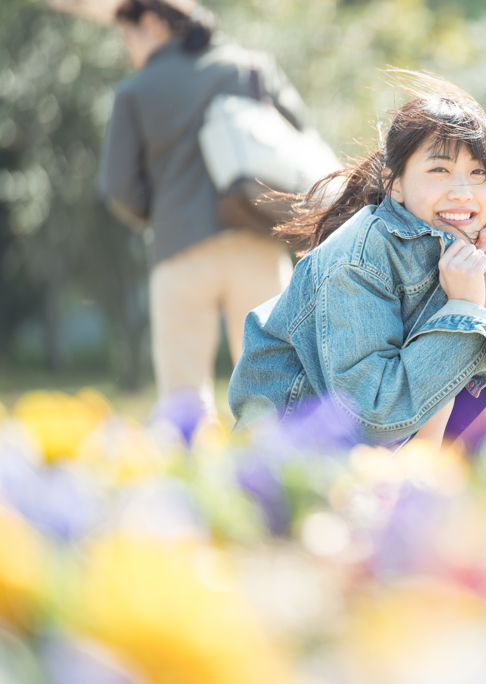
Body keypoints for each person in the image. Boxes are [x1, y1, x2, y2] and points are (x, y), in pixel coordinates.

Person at [227, 76, 486, 449]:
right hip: (292, 464)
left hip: (378, 460)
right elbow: (372, 415)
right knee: (459, 360)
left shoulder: (450, 251)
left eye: (478, 173)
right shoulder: (357, 260)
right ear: (395, 183)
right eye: (440, 170)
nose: (462, 192)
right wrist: (464, 312)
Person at [99, 0, 310, 419]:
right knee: (275, 386)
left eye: (129, 35)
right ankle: (275, 477)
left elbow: (118, 186)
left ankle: (190, 479)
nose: (128, 49)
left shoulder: (134, 91)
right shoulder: (250, 67)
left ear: (155, 23)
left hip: (179, 254)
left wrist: (164, 214)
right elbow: (300, 140)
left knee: (183, 398)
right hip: (258, 241)